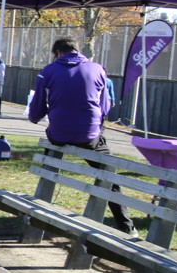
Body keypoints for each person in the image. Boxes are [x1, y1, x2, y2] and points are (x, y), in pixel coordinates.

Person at [28, 35, 136, 235]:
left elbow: (37, 108)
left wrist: (35, 117)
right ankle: (127, 226)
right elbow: (104, 106)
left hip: (59, 132)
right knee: (109, 175)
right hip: (89, 133)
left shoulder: (48, 71)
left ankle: (39, 213)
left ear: (58, 52)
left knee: (51, 154)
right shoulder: (97, 69)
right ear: (77, 50)